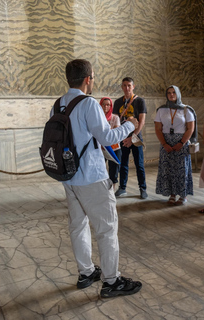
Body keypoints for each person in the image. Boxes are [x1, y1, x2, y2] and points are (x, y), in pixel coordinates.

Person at [54, 59, 142, 298]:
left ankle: (86, 272)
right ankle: (112, 281)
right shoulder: (88, 103)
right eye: (92, 76)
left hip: (69, 176)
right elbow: (105, 137)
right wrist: (129, 125)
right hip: (91, 177)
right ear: (87, 79)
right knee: (106, 229)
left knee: (78, 226)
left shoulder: (58, 104)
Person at [154, 85, 195, 205]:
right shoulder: (161, 110)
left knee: (182, 169)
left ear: (178, 94)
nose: (171, 95)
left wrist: (181, 143)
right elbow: (158, 128)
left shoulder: (186, 109)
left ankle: (183, 195)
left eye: (174, 93)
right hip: (166, 142)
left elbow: (190, 129)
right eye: (169, 93)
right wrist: (164, 143)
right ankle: (172, 194)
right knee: (168, 169)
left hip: (181, 142)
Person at [113, 77, 148, 199]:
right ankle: (122, 188)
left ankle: (142, 188)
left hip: (136, 137)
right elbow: (116, 121)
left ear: (133, 86)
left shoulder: (140, 101)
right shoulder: (118, 102)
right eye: (124, 85)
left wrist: (132, 137)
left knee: (139, 164)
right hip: (123, 138)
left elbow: (141, 121)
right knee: (123, 164)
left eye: (129, 85)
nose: (126, 88)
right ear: (122, 87)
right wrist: (121, 137)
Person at [100, 97, 121, 190]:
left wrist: (104, 134)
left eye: (108, 104)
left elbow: (115, 133)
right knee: (100, 169)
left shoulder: (115, 117)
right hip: (101, 148)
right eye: (103, 104)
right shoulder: (98, 117)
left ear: (111, 106)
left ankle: (112, 190)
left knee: (114, 170)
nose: (105, 106)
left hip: (114, 148)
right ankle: (101, 190)